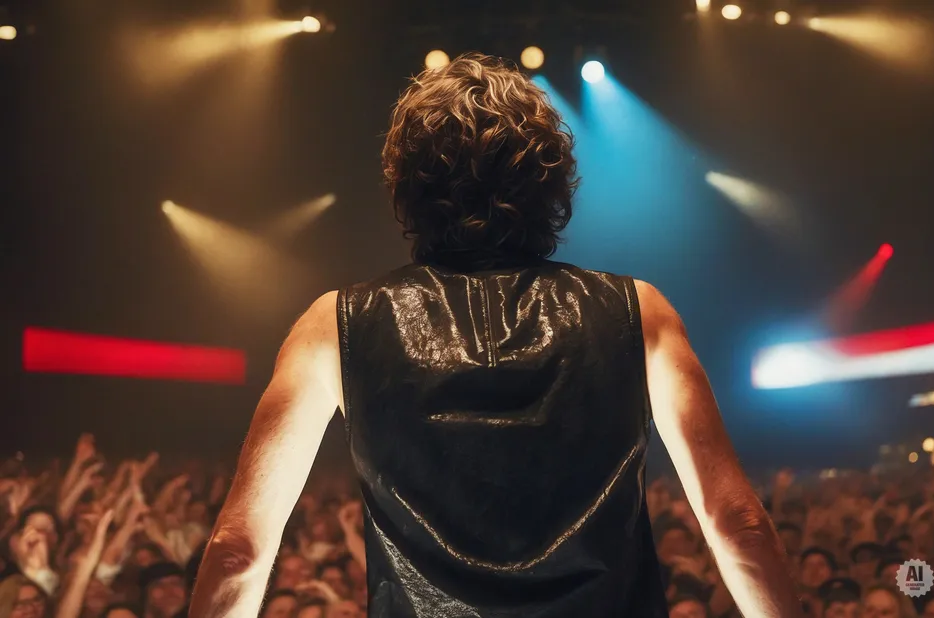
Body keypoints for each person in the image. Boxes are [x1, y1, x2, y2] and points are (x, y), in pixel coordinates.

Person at [189, 53, 802, 618]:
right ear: (549, 180)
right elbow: (738, 525)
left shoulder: (335, 323)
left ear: (407, 185)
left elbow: (239, 549)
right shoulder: (637, 312)